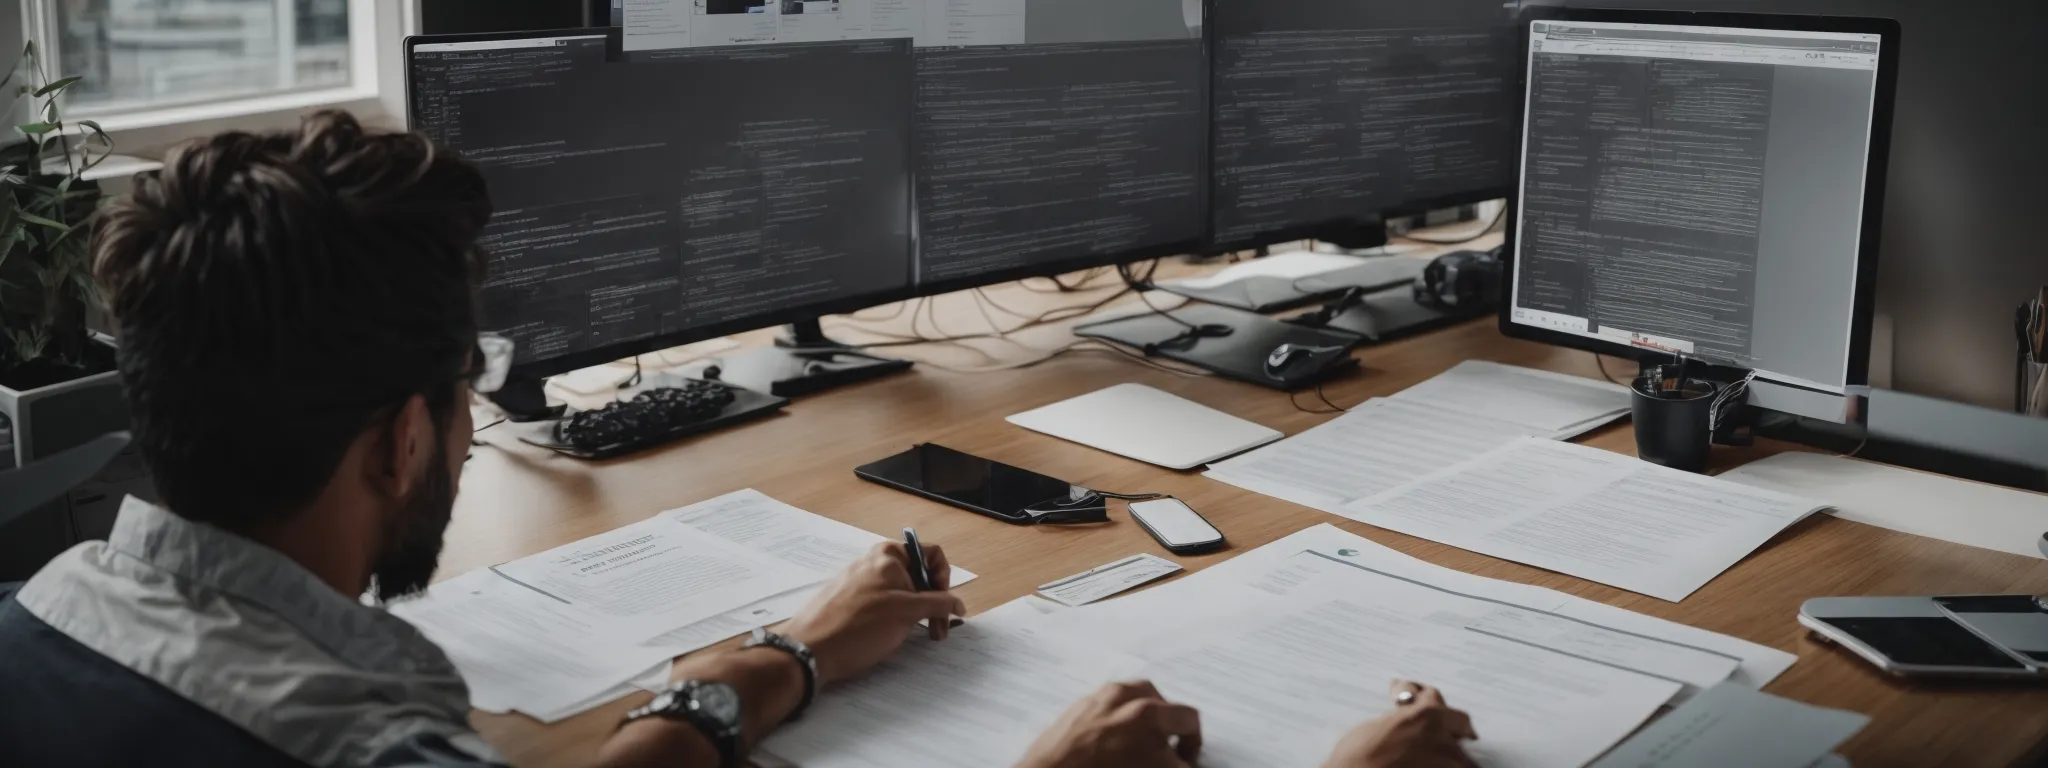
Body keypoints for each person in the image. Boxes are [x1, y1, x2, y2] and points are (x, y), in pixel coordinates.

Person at [0, 111, 1476, 767]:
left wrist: (776, 665)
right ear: (402, 441)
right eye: (472, 381)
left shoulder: (34, 629)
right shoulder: (370, 748)